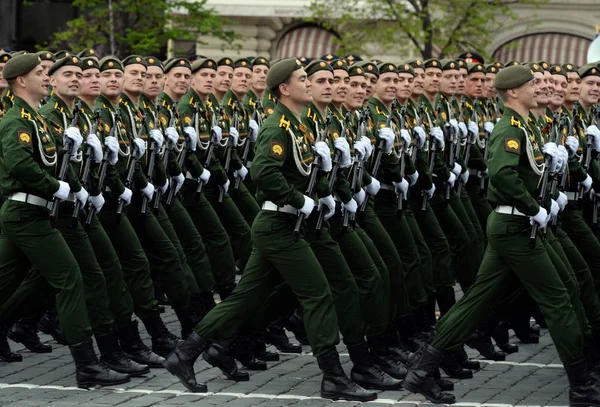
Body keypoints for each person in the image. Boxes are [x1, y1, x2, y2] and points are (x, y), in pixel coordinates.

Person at [164, 58, 377, 402]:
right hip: (280, 224)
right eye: (303, 79)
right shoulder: (278, 126)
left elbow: (303, 173)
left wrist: (324, 190)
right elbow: (264, 172)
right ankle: (334, 376)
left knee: (246, 297)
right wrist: (300, 199)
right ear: (284, 88)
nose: (309, 83)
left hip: (294, 223)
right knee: (318, 295)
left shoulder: (300, 125)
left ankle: (186, 353)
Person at [403, 65, 600, 406]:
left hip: (520, 223)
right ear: (512, 92)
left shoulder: (527, 125)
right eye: (532, 83)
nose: (539, 87)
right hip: (516, 224)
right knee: (559, 299)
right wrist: (532, 206)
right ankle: (582, 384)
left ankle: (423, 369)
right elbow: (503, 174)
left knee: (480, 299)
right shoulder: (509, 127)